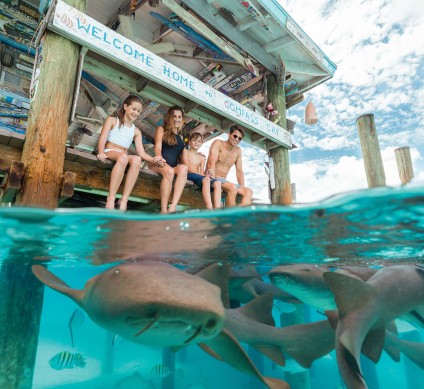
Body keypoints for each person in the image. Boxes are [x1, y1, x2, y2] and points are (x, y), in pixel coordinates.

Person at [97, 95, 165, 211]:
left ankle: (124, 199)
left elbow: (142, 154)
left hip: (123, 156)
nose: (136, 113)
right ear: (125, 106)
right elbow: (103, 137)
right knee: (123, 156)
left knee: (137, 159)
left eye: (138, 111)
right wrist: (101, 152)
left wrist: (155, 159)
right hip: (110, 151)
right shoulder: (112, 120)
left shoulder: (136, 131)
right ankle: (111, 198)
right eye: (134, 109)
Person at [149, 106, 188, 213]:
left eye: (179, 117)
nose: (177, 119)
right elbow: (157, 146)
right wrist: (158, 156)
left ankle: (172, 207)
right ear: (169, 117)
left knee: (184, 168)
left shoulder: (180, 137)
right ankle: (163, 210)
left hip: (171, 168)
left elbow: (183, 158)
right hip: (158, 164)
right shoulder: (161, 129)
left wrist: (195, 153)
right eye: (174, 116)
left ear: (182, 119)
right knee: (169, 171)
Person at [206, 125, 253, 207]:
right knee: (233, 187)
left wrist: (242, 188)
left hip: (224, 181)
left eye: (239, 138)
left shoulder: (238, 151)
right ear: (229, 134)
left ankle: (239, 214)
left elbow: (239, 171)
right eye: (235, 136)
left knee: (248, 191)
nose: (236, 139)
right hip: (213, 178)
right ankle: (232, 217)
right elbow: (211, 162)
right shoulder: (218, 143)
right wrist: (214, 182)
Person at [181, 132, 222, 210]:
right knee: (206, 179)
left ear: (201, 144)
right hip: (189, 174)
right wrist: (205, 177)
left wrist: (207, 174)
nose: (196, 142)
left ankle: (217, 209)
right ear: (189, 142)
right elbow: (186, 167)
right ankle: (209, 207)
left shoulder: (202, 157)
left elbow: (202, 173)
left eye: (199, 141)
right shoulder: (185, 151)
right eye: (194, 140)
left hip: (199, 177)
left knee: (218, 183)